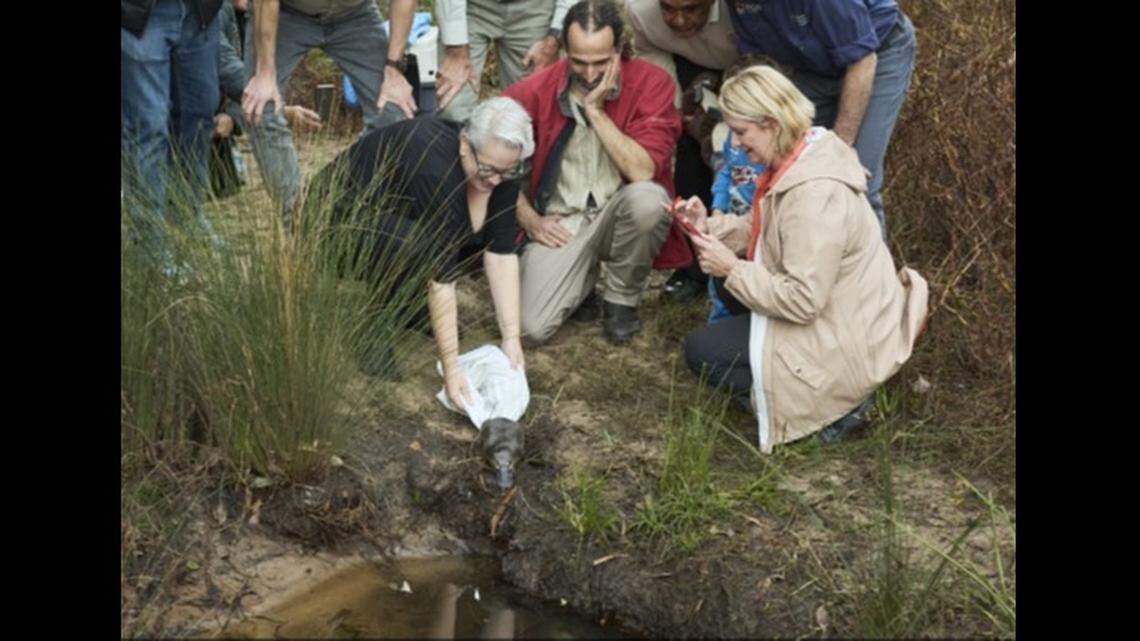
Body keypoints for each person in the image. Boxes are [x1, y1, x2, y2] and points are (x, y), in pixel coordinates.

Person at [679, 65, 928, 451]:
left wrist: (732, 268)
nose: (737, 143)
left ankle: (839, 403)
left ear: (772, 123)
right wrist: (708, 226)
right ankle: (793, 381)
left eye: (742, 132)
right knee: (728, 289)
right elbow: (763, 229)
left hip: (842, 340)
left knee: (703, 351)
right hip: (841, 317)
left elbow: (803, 300)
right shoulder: (802, 155)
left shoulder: (813, 195)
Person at [309, 97, 532, 412]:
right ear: (465, 144)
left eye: (506, 172)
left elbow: (500, 252)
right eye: (487, 170)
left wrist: (512, 337)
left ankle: (407, 306)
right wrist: (452, 370)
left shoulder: (500, 166)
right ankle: (372, 326)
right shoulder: (433, 163)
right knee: (416, 244)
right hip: (332, 227)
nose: (495, 180)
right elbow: (441, 275)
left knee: (460, 235)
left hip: (397, 221)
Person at [501, 0, 684, 345]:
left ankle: (621, 299)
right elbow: (495, 169)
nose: (589, 74)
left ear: (619, 50)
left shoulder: (652, 83)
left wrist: (595, 111)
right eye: (579, 62)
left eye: (601, 62)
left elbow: (643, 170)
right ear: (563, 52)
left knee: (649, 199)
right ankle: (579, 281)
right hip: (561, 221)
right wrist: (529, 220)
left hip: (619, 212)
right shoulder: (533, 91)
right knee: (530, 328)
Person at [723, 0, 916, 235]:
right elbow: (761, 67)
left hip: (874, 53)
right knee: (787, 165)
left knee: (854, 175)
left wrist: (839, 146)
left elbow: (862, 59)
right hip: (810, 66)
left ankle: (872, 269)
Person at [240, 0, 419, 216]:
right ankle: (299, 220)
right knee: (261, 108)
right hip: (286, 13)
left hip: (355, 15)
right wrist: (265, 73)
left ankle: (346, 203)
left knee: (394, 112)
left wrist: (394, 70)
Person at [626, 0, 738, 301]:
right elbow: (653, 57)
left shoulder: (738, 8)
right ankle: (693, 266)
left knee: (741, 160)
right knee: (690, 154)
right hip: (689, 64)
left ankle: (739, 258)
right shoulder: (640, 10)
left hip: (747, 61)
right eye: (668, 9)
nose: (677, 20)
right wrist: (678, 113)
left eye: (691, 9)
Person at [121, 0, 224, 268]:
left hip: (200, 12)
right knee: (148, 125)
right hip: (141, 13)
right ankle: (150, 245)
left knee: (200, 112)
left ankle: (186, 215)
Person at [433, 0, 571, 120]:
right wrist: (456, 49)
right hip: (471, 8)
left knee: (529, 108)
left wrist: (554, 38)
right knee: (453, 106)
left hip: (535, 9)